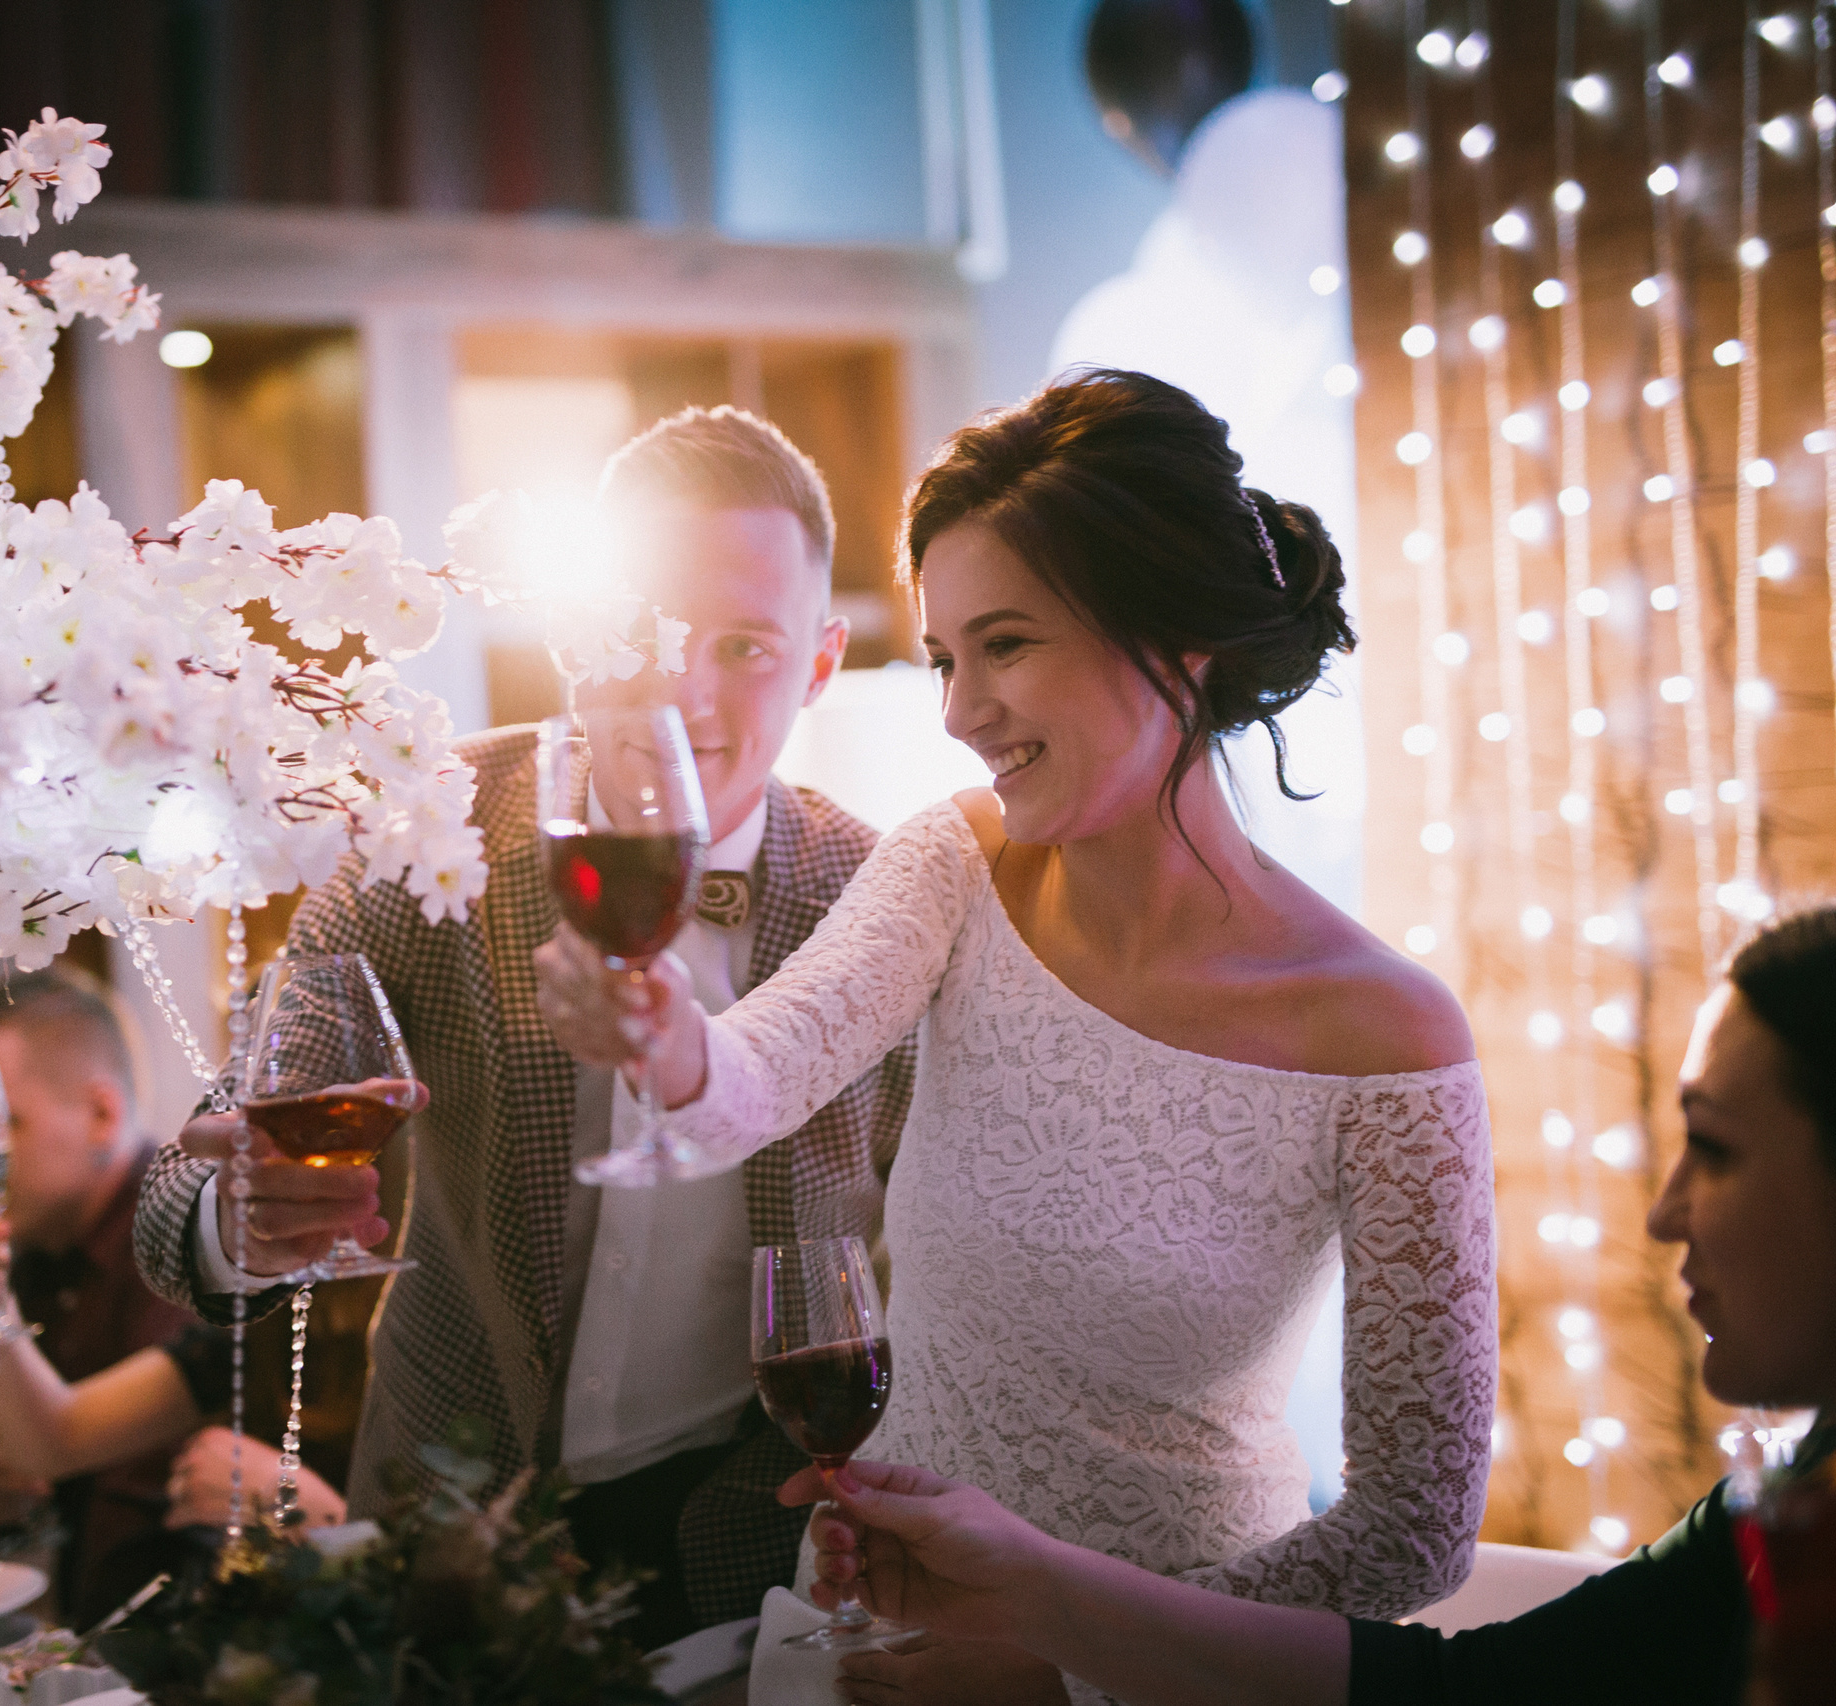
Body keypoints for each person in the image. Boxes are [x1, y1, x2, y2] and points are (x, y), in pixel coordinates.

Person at [538, 371, 1493, 1703]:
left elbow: (1413, 1529)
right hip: (870, 1634)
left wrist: (1055, 1666)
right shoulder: (957, 861)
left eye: (1007, 643)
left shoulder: (1387, 1033)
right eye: (943, 656)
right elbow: (760, 1070)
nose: (958, 709)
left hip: (1163, 1680)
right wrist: (667, 1040)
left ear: (1177, 640)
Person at [129, 406, 916, 1648]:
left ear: (819, 663)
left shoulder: (882, 904)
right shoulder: (423, 836)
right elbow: (177, 1198)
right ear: (571, 637)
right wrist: (238, 1218)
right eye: (645, 637)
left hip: (753, 1552)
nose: (687, 694)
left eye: (746, 646)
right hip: (444, 1530)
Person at [785, 904, 1836, 1706]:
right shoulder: (1820, 1488)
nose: (1667, 1213)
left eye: (1717, 1149)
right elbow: (1472, 1692)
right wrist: (1035, 1590)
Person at [0, 970, 343, 1627]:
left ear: (102, 1114)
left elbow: (128, 1522)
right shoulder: (32, 1259)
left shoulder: (183, 1248)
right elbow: (48, 1450)